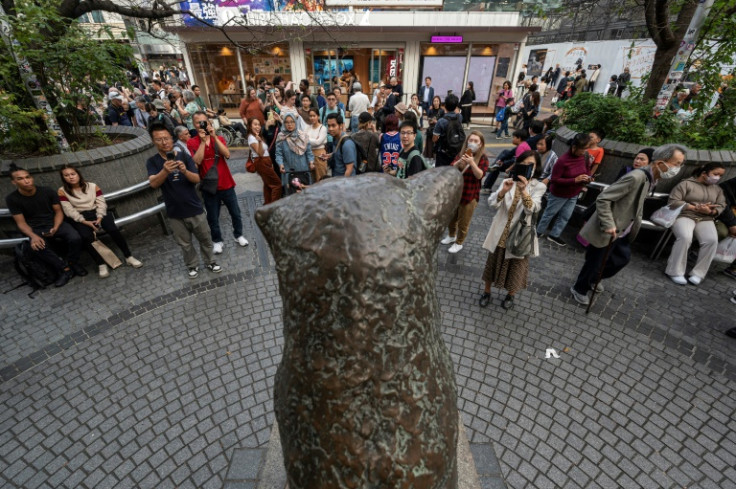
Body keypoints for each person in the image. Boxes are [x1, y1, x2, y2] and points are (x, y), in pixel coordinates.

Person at [570, 144, 686, 305]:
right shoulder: (636, 177)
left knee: (620, 259)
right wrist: (609, 223)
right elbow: (604, 198)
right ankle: (580, 288)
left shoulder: (651, 178)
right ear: (661, 162)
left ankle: (594, 278)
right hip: (610, 228)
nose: (678, 168)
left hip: (624, 229)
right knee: (595, 261)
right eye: (677, 163)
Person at [147, 123, 222, 278]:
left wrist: (184, 170)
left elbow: (196, 179)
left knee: (205, 238)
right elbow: (153, 183)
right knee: (185, 244)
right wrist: (164, 171)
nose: (164, 142)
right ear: (153, 141)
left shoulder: (184, 156)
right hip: (174, 212)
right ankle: (192, 265)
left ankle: (211, 261)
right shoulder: (152, 162)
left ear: (171, 138)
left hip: (194, 207)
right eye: (159, 139)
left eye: (166, 138)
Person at [479, 150, 546, 310]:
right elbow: (492, 203)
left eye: (531, 165)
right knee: (492, 264)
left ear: (536, 167)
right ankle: (486, 292)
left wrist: (524, 190)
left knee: (516, 267)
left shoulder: (539, 186)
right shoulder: (509, 181)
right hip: (501, 232)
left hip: (520, 235)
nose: (526, 167)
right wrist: (502, 191)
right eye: (523, 164)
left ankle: (510, 295)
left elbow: (534, 209)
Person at [5, 165, 84, 287]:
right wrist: (33, 236)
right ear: (14, 182)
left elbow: (58, 212)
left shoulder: (47, 191)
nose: (27, 181)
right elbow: (21, 223)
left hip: (55, 222)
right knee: (38, 246)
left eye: (28, 177)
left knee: (75, 237)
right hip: (35, 228)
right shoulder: (12, 199)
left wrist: (56, 227)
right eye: (20, 179)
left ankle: (73, 263)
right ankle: (65, 269)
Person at [58, 166, 143, 278]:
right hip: (80, 216)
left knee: (113, 229)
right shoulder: (62, 191)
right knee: (86, 236)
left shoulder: (92, 186)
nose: (71, 177)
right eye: (67, 175)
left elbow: (101, 203)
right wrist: (84, 221)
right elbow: (68, 210)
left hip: (98, 212)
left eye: (73, 174)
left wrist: (99, 217)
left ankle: (128, 257)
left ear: (78, 174)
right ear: (63, 178)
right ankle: (101, 264)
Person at [187, 112, 248, 254]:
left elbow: (227, 154)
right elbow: (196, 161)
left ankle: (238, 235)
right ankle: (217, 240)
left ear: (209, 122)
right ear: (194, 125)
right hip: (209, 186)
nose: (201, 124)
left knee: (236, 213)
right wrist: (203, 142)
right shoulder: (192, 142)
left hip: (226, 183)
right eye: (198, 122)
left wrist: (213, 137)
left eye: (204, 121)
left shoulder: (218, 138)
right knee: (213, 216)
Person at [665, 162, 727, 285]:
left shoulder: (717, 189)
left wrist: (711, 211)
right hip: (684, 216)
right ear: (704, 173)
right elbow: (672, 201)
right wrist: (694, 207)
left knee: (711, 240)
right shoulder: (686, 184)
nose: (717, 178)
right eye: (715, 174)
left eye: (720, 175)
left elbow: (722, 205)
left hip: (705, 219)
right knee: (685, 237)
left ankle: (698, 273)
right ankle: (674, 271)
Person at [536, 132, 593, 246]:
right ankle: (538, 231)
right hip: (559, 193)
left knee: (565, 216)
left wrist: (588, 178)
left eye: (586, 148)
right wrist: (574, 180)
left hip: (574, 193)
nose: (585, 151)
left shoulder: (585, 157)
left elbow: (587, 171)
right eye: (583, 149)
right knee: (549, 213)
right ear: (574, 147)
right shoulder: (562, 161)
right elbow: (555, 179)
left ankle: (554, 235)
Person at [440, 131, 490, 254]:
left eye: (475, 141)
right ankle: (451, 236)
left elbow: (479, 175)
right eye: (470, 140)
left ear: (480, 144)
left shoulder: (483, 158)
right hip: (456, 193)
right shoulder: (462, 153)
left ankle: (459, 243)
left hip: (470, 195)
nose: (472, 143)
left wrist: (472, 162)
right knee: (451, 218)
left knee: (464, 222)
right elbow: (451, 169)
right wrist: (459, 162)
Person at [247, 118, 282, 205]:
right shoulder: (251, 138)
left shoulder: (257, 136)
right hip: (261, 161)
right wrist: (259, 142)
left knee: (268, 185)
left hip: (265, 162)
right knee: (277, 185)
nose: (258, 127)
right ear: (250, 126)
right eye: (255, 124)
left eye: (259, 124)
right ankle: (273, 206)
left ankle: (268, 204)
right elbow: (260, 153)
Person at [275, 113, 314, 189]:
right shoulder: (281, 137)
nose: (290, 124)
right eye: (287, 122)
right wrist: (281, 165)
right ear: (283, 123)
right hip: (289, 171)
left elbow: (309, 152)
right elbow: (278, 154)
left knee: (304, 194)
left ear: (295, 123)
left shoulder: (302, 136)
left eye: (292, 122)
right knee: (291, 194)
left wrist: (311, 162)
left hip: (303, 170)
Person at [433, 93, 463, 167]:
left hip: (443, 153)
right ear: (456, 106)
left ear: (445, 106)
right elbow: (458, 113)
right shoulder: (459, 117)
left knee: (441, 173)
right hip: (456, 151)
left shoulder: (441, 121)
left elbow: (434, 139)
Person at [325, 113, 356, 177]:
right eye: (329, 126)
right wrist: (330, 155)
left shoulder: (347, 144)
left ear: (341, 125)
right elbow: (340, 154)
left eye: (333, 126)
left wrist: (343, 185)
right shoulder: (335, 138)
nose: (330, 129)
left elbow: (349, 169)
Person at [718, 176, 736, 280]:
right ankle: (696, 251)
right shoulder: (729, 186)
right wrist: (732, 225)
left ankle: (733, 268)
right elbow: (723, 206)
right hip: (722, 218)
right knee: (721, 232)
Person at [424, 95, 444, 160]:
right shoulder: (430, 110)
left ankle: (436, 158)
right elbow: (428, 119)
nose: (435, 102)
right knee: (429, 145)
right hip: (431, 130)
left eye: (437, 101)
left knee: (437, 146)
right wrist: (431, 120)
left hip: (438, 130)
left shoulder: (442, 111)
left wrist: (436, 121)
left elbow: (443, 121)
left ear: (439, 102)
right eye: (434, 101)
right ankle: (429, 158)